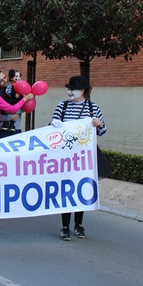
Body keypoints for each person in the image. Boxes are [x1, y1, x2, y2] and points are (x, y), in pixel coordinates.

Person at [50, 75, 107, 241]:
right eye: (68, 89)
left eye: (72, 89)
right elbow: (51, 127)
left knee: (81, 189)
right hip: (65, 156)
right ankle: (65, 226)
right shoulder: (62, 106)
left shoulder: (92, 108)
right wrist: (54, 124)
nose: (69, 92)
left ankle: (79, 225)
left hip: (84, 157)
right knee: (66, 189)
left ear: (82, 91)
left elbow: (103, 131)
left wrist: (99, 124)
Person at [0, 69, 23, 138]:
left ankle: (11, 124)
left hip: (16, 128)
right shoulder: (6, 89)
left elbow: (24, 107)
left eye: (19, 76)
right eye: (16, 76)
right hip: (1, 130)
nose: (18, 78)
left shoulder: (21, 87)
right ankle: (6, 124)